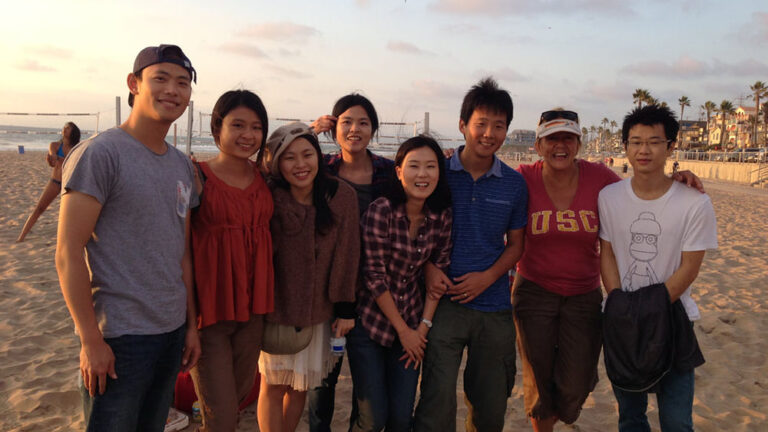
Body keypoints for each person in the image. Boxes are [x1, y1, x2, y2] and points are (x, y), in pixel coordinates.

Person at [55, 44, 201, 431]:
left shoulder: (182, 165)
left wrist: (189, 326)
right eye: (161, 79)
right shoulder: (101, 154)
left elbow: (180, 252)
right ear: (134, 84)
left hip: (170, 332)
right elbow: (68, 252)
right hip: (119, 336)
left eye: (183, 83)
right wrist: (90, 340)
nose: (173, 90)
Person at [413, 77, 528, 432]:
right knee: (436, 399)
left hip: (494, 309)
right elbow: (414, 226)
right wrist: (429, 267)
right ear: (463, 125)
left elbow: (517, 245)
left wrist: (488, 278)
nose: (489, 133)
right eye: (481, 124)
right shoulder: (437, 173)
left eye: (498, 126)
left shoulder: (514, 183)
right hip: (442, 305)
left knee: (490, 405)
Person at [599, 104, 717, 431]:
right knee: (630, 416)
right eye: (635, 142)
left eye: (654, 141)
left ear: (670, 146)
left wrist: (650, 305)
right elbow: (606, 252)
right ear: (624, 147)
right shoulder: (609, 197)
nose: (644, 150)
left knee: (677, 420)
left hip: (674, 318)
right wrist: (620, 300)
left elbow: (690, 266)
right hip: (622, 319)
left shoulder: (694, 202)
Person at [512, 109, 620, 432]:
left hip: (584, 295)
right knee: (538, 383)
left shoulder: (600, 177)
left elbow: (640, 196)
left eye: (568, 138)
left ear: (578, 144)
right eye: (552, 138)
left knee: (574, 387)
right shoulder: (523, 178)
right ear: (538, 145)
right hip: (533, 292)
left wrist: (678, 179)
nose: (560, 145)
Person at [257, 122, 360, 432]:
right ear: (276, 162)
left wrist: (345, 307)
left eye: (307, 154)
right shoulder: (267, 196)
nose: (300, 165)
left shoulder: (340, 195)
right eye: (289, 157)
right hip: (276, 309)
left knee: (300, 386)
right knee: (273, 386)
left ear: (318, 156)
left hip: (319, 311)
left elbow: (348, 252)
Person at [349, 135, 453, 431]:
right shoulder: (382, 210)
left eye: (431, 167)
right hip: (370, 324)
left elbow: (439, 275)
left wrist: (421, 329)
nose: (423, 175)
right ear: (398, 171)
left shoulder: (441, 215)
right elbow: (374, 276)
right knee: (372, 419)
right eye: (414, 166)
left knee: (400, 418)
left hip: (412, 324)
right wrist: (404, 331)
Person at [307, 93, 395, 432]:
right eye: (346, 121)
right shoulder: (321, 169)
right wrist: (311, 132)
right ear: (333, 126)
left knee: (367, 389)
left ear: (373, 129)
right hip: (326, 290)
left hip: (373, 293)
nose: (354, 129)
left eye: (363, 122)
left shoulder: (388, 172)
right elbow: (277, 164)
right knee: (321, 384)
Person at [189, 90, 273, 431]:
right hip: (209, 313)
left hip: (254, 311)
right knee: (222, 417)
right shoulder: (195, 176)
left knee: (235, 399)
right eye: (237, 125)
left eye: (256, 127)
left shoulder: (266, 176)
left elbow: (306, 162)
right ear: (216, 129)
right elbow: (177, 246)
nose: (248, 135)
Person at [17, 122, 81, 242]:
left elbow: (74, 165)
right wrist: (51, 160)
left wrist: (59, 159)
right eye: (64, 127)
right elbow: (53, 159)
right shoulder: (55, 145)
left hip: (70, 184)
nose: (65, 129)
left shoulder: (76, 149)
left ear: (73, 132)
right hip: (55, 181)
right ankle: (22, 236)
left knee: (71, 214)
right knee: (39, 208)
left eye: (68, 128)